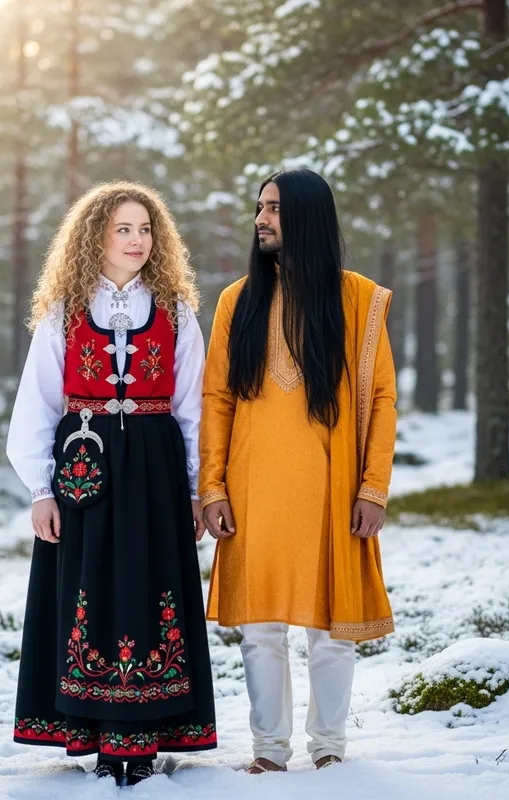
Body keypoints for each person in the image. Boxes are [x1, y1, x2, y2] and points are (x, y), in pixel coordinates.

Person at [7, 182, 217, 787]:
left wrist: (198, 489)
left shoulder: (176, 309)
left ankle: (147, 737)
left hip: (154, 467)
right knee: (88, 590)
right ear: (95, 234)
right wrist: (41, 490)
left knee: (152, 590)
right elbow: (38, 404)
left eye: (145, 229)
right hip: (84, 466)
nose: (136, 240)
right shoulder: (63, 312)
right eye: (123, 228)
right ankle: (98, 735)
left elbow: (193, 408)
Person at [199, 168, 396, 773]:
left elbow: (383, 397)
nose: (261, 219)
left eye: (274, 209)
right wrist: (211, 487)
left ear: (306, 217)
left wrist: (373, 487)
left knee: (331, 629)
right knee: (259, 627)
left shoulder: (359, 300)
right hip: (253, 489)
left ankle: (330, 747)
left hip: (334, 489)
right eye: (259, 207)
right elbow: (217, 399)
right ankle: (269, 750)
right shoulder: (239, 300)